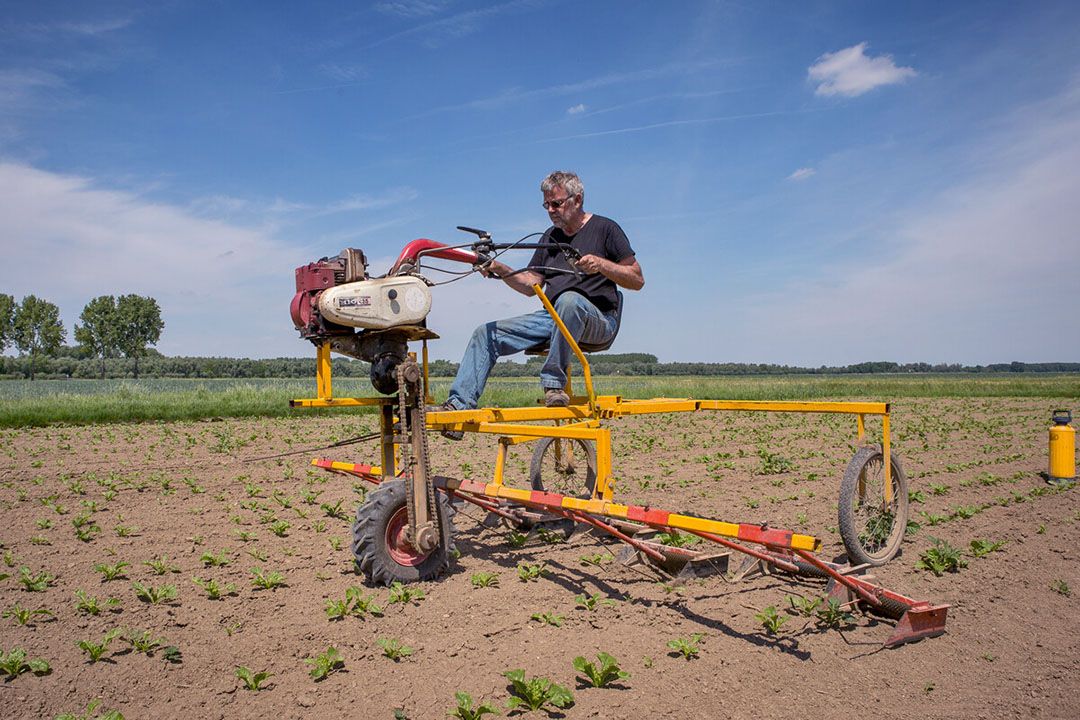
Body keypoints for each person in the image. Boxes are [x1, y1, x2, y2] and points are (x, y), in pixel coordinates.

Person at [438, 171, 644, 431]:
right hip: (554, 316)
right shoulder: (550, 237)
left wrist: (602, 265)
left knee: (570, 301)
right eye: (546, 204)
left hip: (599, 319)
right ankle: (459, 407)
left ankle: (553, 384)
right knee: (485, 334)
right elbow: (530, 285)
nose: (550, 210)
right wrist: (501, 269)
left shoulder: (606, 229)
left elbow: (637, 279)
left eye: (556, 203)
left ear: (577, 199)